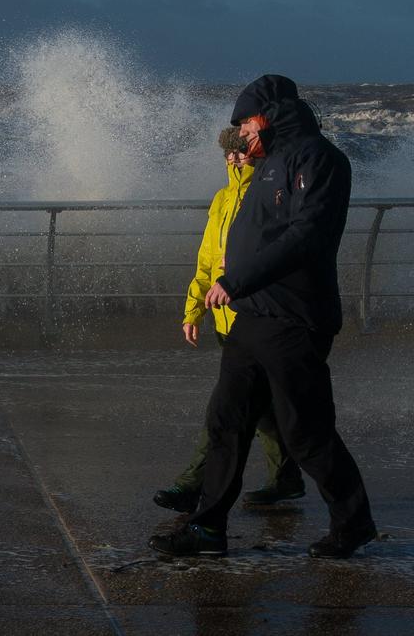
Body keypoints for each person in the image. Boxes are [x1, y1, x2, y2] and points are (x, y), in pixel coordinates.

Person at [150, 75, 376, 559]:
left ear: (268, 115)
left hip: (295, 318)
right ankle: (206, 530)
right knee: (225, 419)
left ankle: (353, 521)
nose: (243, 134)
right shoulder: (267, 164)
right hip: (250, 317)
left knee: (306, 432)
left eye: (246, 124)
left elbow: (306, 235)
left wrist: (235, 281)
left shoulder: (320, 159)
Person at [152, 127, 305, 514]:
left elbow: (287, 249)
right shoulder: (222, 198)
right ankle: (287, 479)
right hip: (225, 318)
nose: (235, 159)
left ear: (257, 152)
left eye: (241, 151)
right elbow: (207, 260)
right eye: (229, 154)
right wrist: (194, 309)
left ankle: (193, 486)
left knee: (225, 410)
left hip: (256, 315)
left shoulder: (271, 194)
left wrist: (241, 268)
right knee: (265, 409)